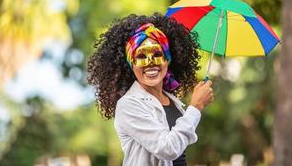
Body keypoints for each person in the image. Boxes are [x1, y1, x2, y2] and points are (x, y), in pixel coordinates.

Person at [87, 13, 214, 166]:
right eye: (141, 56)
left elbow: (181, 146)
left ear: (168, 59)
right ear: (131, 64)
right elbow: (167, 149)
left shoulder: (172, 100)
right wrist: (196, 106)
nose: (150, 62)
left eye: (157, 54)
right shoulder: (128, 104)